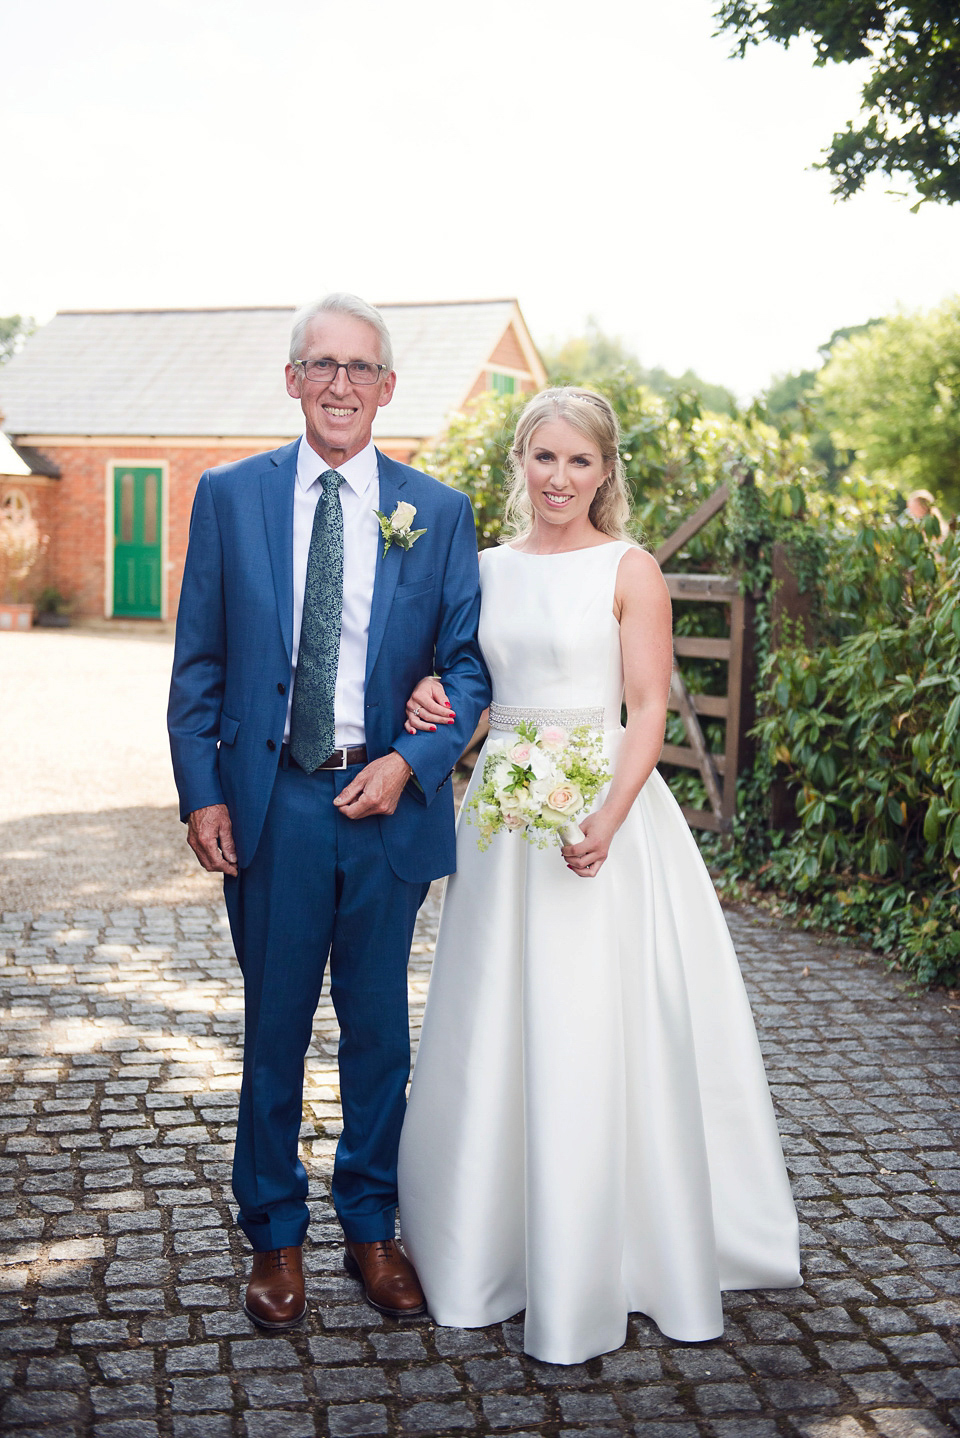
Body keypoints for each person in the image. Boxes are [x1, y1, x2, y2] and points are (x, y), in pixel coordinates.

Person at [397, 387, 801, 1365]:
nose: (560, 479)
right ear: (520, 462)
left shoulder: (632, 569)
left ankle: (613, 1246)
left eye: (580, 462)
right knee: (497, 1019)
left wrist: (609, 818)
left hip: (603, 812)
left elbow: (649, 706)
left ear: (605, 472)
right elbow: (473, 688)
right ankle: (485, 1240)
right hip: (503, 822)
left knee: (593, 1021)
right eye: (544, 458)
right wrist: (430, 696)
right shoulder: (483, 568)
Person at [167, 293, 490, 1329]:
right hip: (276, 801)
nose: (341, 382)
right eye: (322, 364)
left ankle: (371, 1223)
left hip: (385, 799)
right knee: (273, 1029)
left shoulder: (435, 512)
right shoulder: (229, 496)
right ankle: (273, 1234)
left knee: (378, 1033)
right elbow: (200, 665)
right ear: (294, 380)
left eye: (360, 367)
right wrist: (203, 789)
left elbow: (470, 670)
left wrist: (415, 759)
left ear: (388, 387)